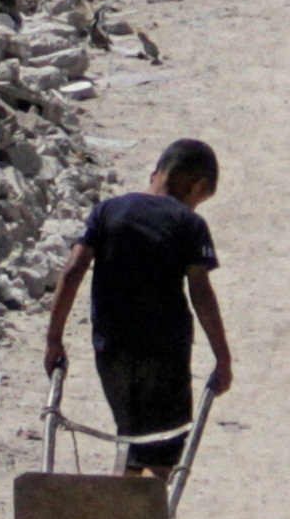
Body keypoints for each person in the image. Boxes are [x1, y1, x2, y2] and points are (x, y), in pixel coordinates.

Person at [44, 140, 234, 474]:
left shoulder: (108, 210)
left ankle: (124, 513)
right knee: (163, 454)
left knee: (130, 438)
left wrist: (54, 340)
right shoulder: (188, 224)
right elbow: (200, 292)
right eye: (200, 199)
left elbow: (73, 271)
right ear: (196, 186)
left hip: (112, 351)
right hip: (164, 355)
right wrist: (222, 356)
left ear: (156, 172)